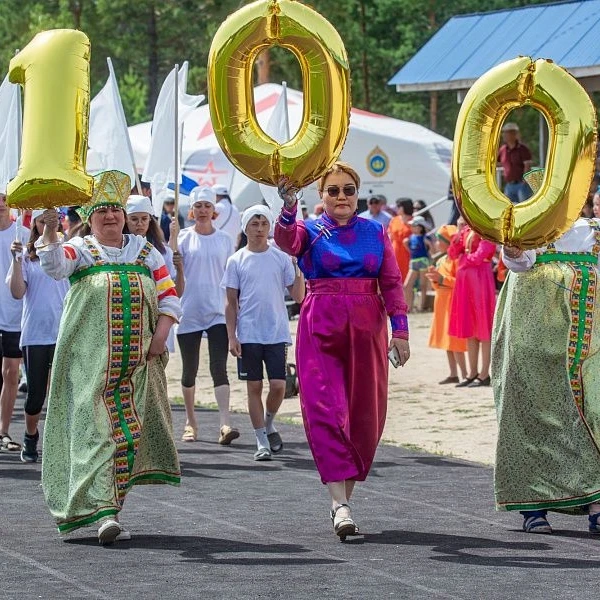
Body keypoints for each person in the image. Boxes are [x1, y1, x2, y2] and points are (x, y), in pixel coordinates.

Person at [36, 170, 181, 543]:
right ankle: (104, 511)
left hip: (138, 364)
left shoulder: (145, 251)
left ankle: (111, 507)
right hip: (90, 365)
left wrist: (160, 338)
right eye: (101, 211)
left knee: (128, 435)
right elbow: (54, 266)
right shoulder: (81, 250)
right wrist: (50, 231)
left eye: (115, 209)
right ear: (90, 218)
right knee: (98, 433)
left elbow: (169, 298)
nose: (110, 216)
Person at [275, 161, 410, 540]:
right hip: (322, 326)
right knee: (325, 409)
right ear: (322, 195)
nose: (341, 197)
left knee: (365, 414)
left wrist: (401, 331)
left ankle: (342, 499)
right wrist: (287, 207)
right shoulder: (310, 230)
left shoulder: (376, 231)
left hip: (369, 326)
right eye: (333, 190)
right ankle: (340, 504)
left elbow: (393, 284)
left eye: (348, 190)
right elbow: (286, 241)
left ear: (358, 193)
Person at [494, 171, 600, 534]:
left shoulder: (594, 232)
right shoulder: (530, 230)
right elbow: (518, 264)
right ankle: (533, 505)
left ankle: (596, 503)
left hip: (590, 344)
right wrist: (511, 248)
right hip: (533, 341)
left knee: (593, 413)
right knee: (535, 414)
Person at [223, 205, 305, 461]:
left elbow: (299, 295)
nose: (259, 229)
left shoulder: (280, 258)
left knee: (279, 386)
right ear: (245, 227)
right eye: (254, 224)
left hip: (276, 332)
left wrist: (298, 266)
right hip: (248, 334)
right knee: (254, 387)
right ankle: (260, 440)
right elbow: (230, 302)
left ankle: (269, 424)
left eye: (264, 224)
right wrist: (231, 336)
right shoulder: (236, 260)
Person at [177, 186, 238, 445]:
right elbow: (173, 273)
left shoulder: (225, 240)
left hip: (217, 312)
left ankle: (225, 423)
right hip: (188, 311)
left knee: (218, 368)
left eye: (207, 206)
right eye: (198, 206)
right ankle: (191, 422)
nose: (202, 210)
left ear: (214, 211)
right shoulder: (181, 238)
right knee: (189, 370)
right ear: (192, 211)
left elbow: (231, 278)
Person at [8, 210, 69, 462]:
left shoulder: (69, 251)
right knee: (35, 395)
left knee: (63, 393)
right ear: (34, 222)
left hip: (65, 332)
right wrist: (15, 260)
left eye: (52, 219)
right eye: (42, 219)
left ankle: (60, 441)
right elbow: (17, 292)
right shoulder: (25, 253)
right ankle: (30, 435)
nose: (47, 223)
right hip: (35, 334)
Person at [448, 218, 496, 387]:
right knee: (470, 328)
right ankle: (472, 372)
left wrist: (464, 259)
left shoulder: (486, 230)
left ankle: (484, 374)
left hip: (480, 279)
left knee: (483, 329)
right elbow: (453, 253)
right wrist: (457, 236)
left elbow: (480, 255)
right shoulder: (467, 231)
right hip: (467, 282)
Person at [0, 193, 28, 452]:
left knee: (11, 373)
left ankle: (4, 432)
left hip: (14, 315)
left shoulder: (23, 234)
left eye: (3, 197)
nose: (0, 202)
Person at [424, 224, 467, 384]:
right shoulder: (442, 259)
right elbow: (438, 282)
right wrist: (434, 278)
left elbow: (461, 282)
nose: (436, 243)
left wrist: (441, 279)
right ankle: (453, 373)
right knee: (445, 339)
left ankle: (465, 374)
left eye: (439, 240)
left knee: (454, 340)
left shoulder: (457, 260)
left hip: (452, 301)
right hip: (441, 301)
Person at [125, 195, 184, 297]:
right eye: (134, 219)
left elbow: (176, 293)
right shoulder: (117, 250)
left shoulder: (163, 251)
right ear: (125, 220)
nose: (140, 223)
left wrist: (180, 269)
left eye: (144, 219)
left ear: (150, 220)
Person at [497, 122, 533, 204]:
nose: (504, 135)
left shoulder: (523, 149)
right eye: (504, 133)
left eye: (507, 132)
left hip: (522, 185)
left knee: (524, 209)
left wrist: (525, 181)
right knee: (508, 209)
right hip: (509, 185)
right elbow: (497, 163)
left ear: (514, 134)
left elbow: (527, 165)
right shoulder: (503, 149)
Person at [403, 215, 433, 312]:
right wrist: (411, 251)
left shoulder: (425, 237)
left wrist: (430, 256)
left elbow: (431, 248)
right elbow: (406, 244)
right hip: (414, 261)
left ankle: (421, 307)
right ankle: (409, 307)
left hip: (423, 261)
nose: (411, 227)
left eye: (414, 225)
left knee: (423, 285)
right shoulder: (411, 238)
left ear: (420, 227)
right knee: (407, 285)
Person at [388, 198, 413, 280]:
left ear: (404, 207)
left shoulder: (414, 220)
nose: (396, 208)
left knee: (407, 279)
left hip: (408, 252)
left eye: (398, 206)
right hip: (395, 252)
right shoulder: (394, 220)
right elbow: (389, 236)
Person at [212, 184, 242, 249]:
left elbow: (208, 224)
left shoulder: (217, 208)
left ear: (216, 195)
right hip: (233, 247)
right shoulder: (235, 209)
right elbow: (239, 234)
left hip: (218, 246)